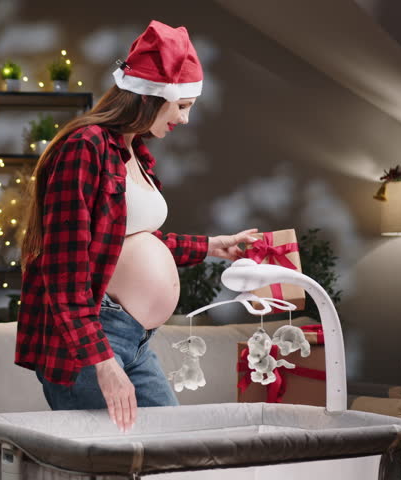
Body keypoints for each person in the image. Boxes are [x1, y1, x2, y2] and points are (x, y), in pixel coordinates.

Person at [17, 20, 257, 433]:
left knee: (172, 448)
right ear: (151, 97)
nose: (184, 119)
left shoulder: (133, 152)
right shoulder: (85, 147)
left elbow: (130, 239)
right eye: (181, 106)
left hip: (133, 340)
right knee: (121, 463)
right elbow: (63, 272)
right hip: (93, 340)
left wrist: (212, 247)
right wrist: (102, 363)